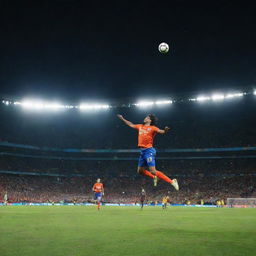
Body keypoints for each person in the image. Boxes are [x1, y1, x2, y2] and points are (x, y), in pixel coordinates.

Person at [117, 114, 179, 190]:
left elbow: (162, 132)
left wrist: (166, 130)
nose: (145, 118)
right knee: (140, 171)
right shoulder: (140, 126)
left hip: (149, 151)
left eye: (147, 117)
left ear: (150, 120)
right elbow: (131, 124)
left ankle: (172, 181)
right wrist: (123, 119)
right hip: (142, 152)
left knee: (153, 170)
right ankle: (154, 177)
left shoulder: (153, 128)